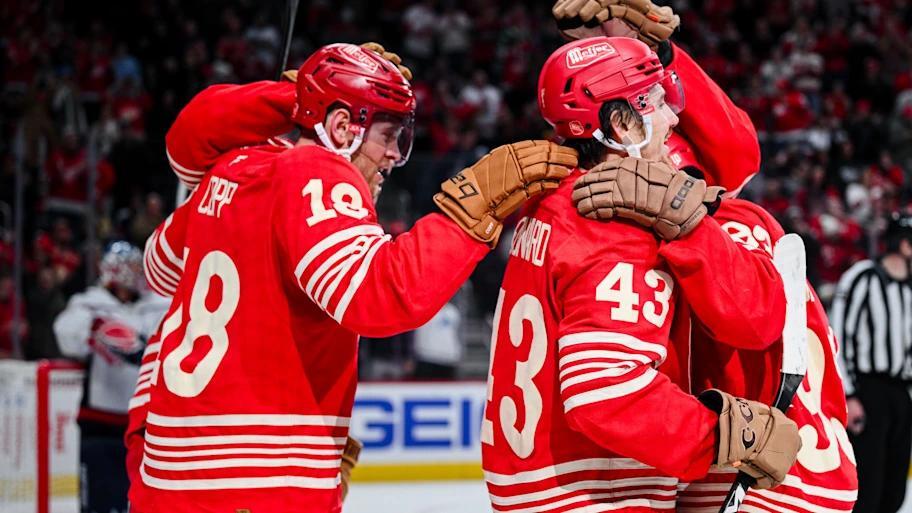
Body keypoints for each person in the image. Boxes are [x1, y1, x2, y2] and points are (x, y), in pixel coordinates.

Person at [125, 42, 576, 513]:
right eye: (389, 135)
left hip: (169, 469)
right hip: (258, 477)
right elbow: (382, 297)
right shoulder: (316, 170)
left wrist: (304, 95)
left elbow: (160, 267)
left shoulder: (232, 169)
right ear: (342, 127)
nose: (394, 155)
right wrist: (472, 207)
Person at [554, 3, 858, 510]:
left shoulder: (732, 225)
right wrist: (611, 54)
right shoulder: (722, 223)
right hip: (769, 462)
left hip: (776, 471)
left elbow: (750, 318)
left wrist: (652, 54)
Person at [480, 36, 800, 513]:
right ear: (622, 123)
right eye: (655, 100)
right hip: (599, 491)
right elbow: (605, 393)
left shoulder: (546, 205)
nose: (672, 117)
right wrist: (721, 436)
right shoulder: (614, 221)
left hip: (538, 484)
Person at [52, 242, 168, 513]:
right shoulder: (90, 304)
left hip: (145, 425)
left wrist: (139, 343)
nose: (136, 272)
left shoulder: (158, 306)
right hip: (99, 423)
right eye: (131, 267)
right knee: (98, 503)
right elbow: (67, 337)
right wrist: (95, 328)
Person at [831, 212, 912, 513]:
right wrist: (849, 395)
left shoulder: (909, 288)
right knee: (868, 485)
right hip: (868, 391)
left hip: (902, 392)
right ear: (904, 245)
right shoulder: (863, 277)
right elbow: (839, 335)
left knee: (895, 488)